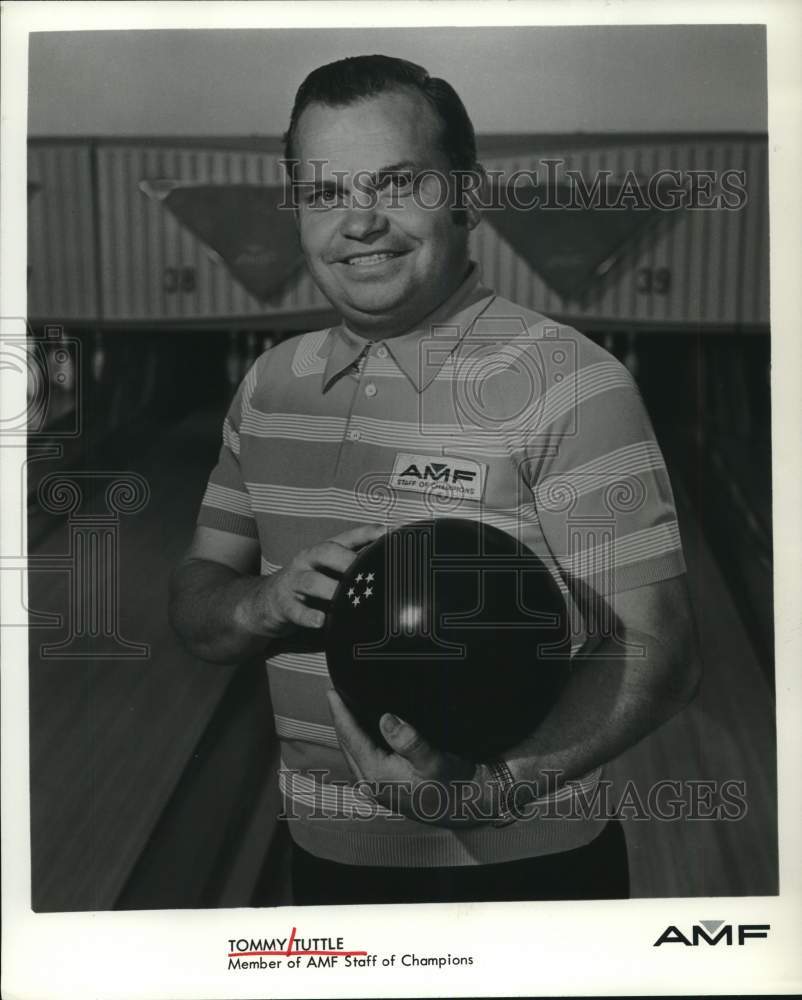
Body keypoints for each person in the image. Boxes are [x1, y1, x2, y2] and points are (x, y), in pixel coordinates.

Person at [169, 55, 701, 905]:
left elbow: (660, 653)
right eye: (325, 193)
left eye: (398, 184)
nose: (361, 222)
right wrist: (255, 605)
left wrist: (479, 792)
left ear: (467, 196)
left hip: (529, 871)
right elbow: (199, 603)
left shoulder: (573, 381)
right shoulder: (268, 386)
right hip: (324, 858)